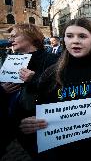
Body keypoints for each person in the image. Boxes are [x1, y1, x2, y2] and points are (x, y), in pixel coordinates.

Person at [19, 18, 91, 160]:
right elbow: (40, 107)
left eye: (82, 36)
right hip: (64, 151)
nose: (75, 41)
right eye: (69, 36)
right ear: (64, 40)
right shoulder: (51, 74)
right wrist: (33, 122)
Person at [6, 24, 58, 158]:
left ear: (31, 36)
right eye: (10, 36)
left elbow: (60, 90)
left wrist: (35, 79)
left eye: (14, 35)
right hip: (20, 129)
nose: (10, 39)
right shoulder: (11, 61)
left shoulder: (51, 60)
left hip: (43, 127)